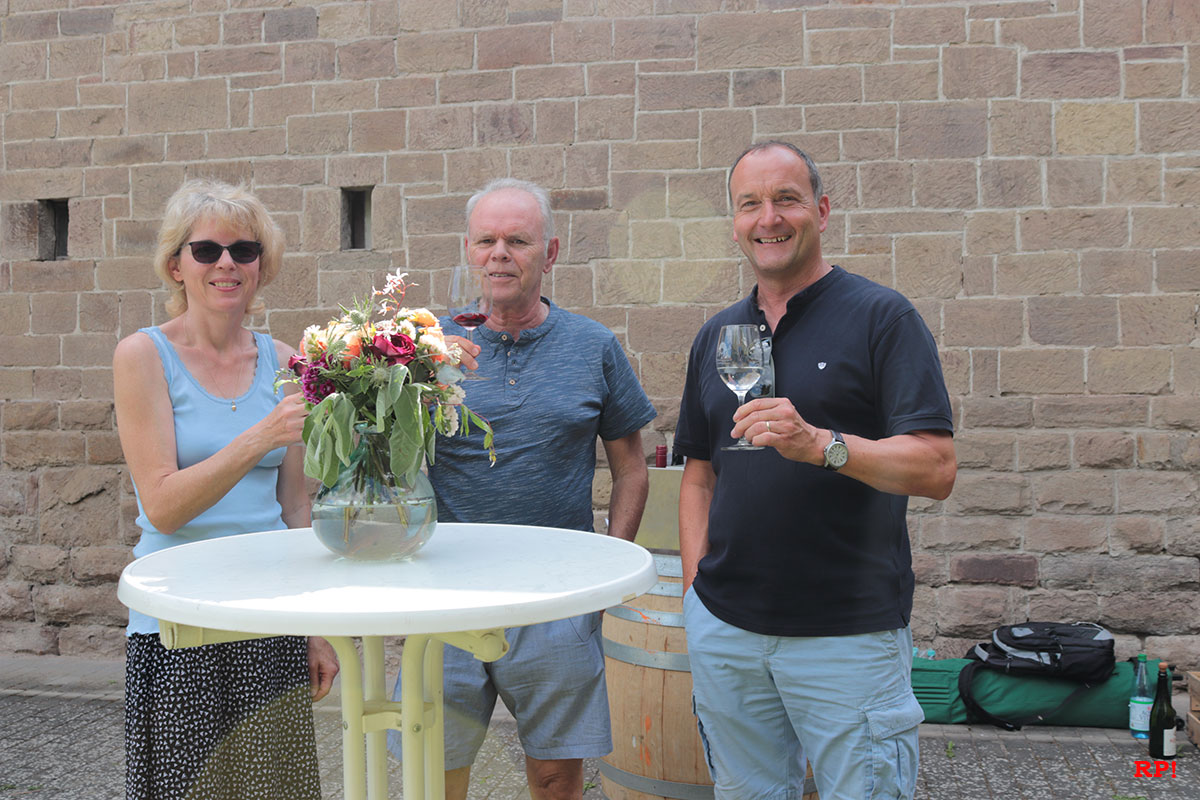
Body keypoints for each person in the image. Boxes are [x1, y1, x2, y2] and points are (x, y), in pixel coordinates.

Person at [673, 142, 957, 800]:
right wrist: (696, 594)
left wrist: (824, 445)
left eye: (787, 200)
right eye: (750, 204)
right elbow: (701, 475)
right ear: (735, 222)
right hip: (728, 632)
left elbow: (937, 467)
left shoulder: (882, 317)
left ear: (822, 211)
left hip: (846, 635)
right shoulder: (718, 334)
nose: (768, 218)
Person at [387, 178, 657, 800]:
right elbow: (388, 461)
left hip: (557, 598)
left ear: (550, 252)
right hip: (446, 597)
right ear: (468, 250)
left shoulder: (593, 346)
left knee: (558, 777)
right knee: (436, 774)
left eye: (518, 240)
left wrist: (606, 572)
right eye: (486, 240)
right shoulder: (426, 351)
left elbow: (631, 469)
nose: (499, 254)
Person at [113, 179, 339, 800]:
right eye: (207, 250)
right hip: (180, 620)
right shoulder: (142, 356)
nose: (226, 264)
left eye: (244, 250)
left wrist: (314, 628)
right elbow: (162, 505)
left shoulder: (286, 362)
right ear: (176, 265)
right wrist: (257, 437)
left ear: (261, 266)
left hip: (269, 617)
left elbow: (295, 507)